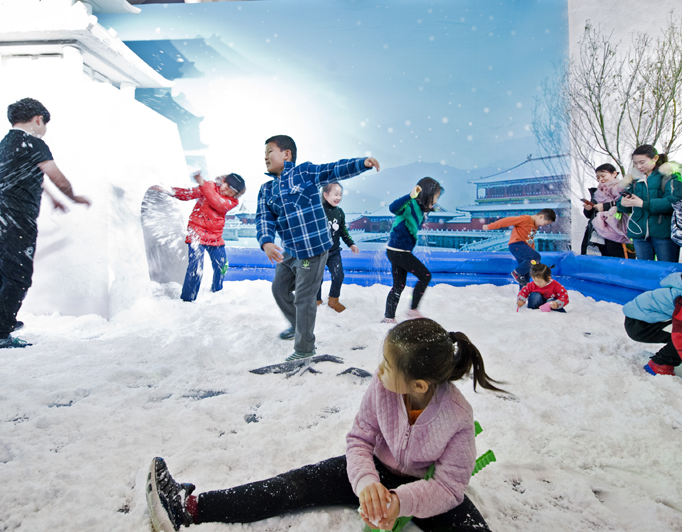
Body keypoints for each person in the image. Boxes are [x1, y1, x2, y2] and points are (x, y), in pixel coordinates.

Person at [146, 318, 504, 532]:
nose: (378, 370)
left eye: (387, 365)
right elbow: (360, 438)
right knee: (289, 486)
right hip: (374, 471)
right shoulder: (382, 387)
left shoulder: (457, 416)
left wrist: (399, 502)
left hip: (422, 488)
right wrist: (367, 483)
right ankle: (189, 507)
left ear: (419, 385)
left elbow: (449, 486)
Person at [0, 98, 90, 352]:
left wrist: (53, 199)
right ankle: (0, 335)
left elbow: (29, 176)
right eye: (44, 124)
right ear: (38, 119)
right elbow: (55, 176)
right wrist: (72, 197)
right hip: (13, 215)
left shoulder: (8, 141)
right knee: (18, 277)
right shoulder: (34, 142)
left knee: (2, 268)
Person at [256, 135, 379, 361]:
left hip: (313, 250)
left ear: (286, 154)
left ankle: (304, 349)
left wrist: (361, 164)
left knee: (304, 298)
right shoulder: (266, 189)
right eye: (264, 154)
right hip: (289, 251)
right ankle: (296, 325)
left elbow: (333, 170)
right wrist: (265, 241)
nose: (265, 157)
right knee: (279, 289)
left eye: (270, 151)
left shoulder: (304, 173)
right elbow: (264, 218)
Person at [151, 171, 245, 302]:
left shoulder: (232, 201)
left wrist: (203, 183)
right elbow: (188, 194)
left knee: (222, 265)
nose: (227, 193)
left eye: (232, 193)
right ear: (223, 181)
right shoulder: (209, 187)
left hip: (215, 237)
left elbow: (217, 203)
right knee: (196, 268)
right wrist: (168, 190)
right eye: (227, 188)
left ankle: (216, 291)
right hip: (197, 234)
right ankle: (187, 300)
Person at [383, 177, 442, 324]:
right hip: (398, 251)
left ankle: (389, 317)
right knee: (425, 275)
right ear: (427, 194)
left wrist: (432, 208)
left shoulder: (421, 209)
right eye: (435, 197)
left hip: (398, 251)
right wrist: (410, 195)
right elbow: (393, 208)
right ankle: (412, 309)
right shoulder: (409, 204)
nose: (435, 201)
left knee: (399, 285)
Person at [617, 144, 682, 262]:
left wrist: (643, 204)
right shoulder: (633, 180)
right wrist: (623, 203)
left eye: (642, 162)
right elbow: (621, 206)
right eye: (635, 163)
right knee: (644, 271)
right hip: (639, 233)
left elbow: (674, 202)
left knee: (666, 271)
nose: (638, 166)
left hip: (664, 234)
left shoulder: (670, 176)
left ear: (655, 158)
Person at [623, 272, 682, 376]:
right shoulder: (680, 297)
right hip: (641, 324)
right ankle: (660, 364)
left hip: (643, 319)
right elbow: (679, 332)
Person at [482, 209, 556, 287]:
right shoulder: (525, 219)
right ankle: (517, 272)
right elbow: (506, 221)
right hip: (516, 245)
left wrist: (532, 251)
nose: (544, 225)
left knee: (526, 275)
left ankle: (523, 297)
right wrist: (489, 226)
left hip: (524, 247)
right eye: (545, 223)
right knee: (536, 257)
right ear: (541, 217)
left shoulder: (535, 226)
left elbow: (530, 240)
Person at [316, 182, 359, 313]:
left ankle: (333, 300)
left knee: (338, 275)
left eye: (340, 194)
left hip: (334, 252)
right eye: (335, 194)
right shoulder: (317, 211)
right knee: (317, 277)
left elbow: (343, 231)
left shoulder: (339, 212)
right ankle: (316, 300)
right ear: (325, 194)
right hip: (318, 252)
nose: (338, 197)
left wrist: (351, 243)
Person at [580, 164, 632, 258]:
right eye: (598, 177)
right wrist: (588, 209)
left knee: (615, 262)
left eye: (603, 176)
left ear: (614, 174)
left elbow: (627, 205)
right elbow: (589, 216)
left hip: (616, 231)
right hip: (596, 232)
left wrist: (606, 206)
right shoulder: (597, 192)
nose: (600, 179)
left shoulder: (623, 188)